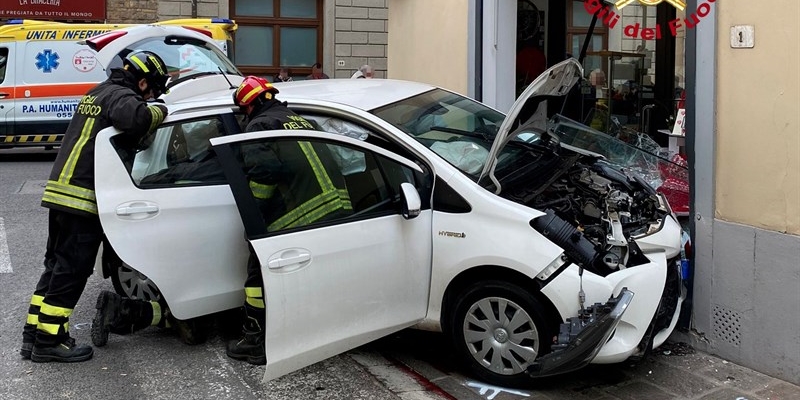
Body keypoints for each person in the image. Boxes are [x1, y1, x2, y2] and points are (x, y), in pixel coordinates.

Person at [20, 51, 170, 363]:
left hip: (61, 193)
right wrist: (159, 112)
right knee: (72, 271)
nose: (151, 96)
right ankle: (49, 342)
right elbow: (138, 119)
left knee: (56, 267)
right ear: (142, 82)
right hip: (81, 198)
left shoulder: (99, 92)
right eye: (152, 90)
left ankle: (33, 335)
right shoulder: (122, 97)